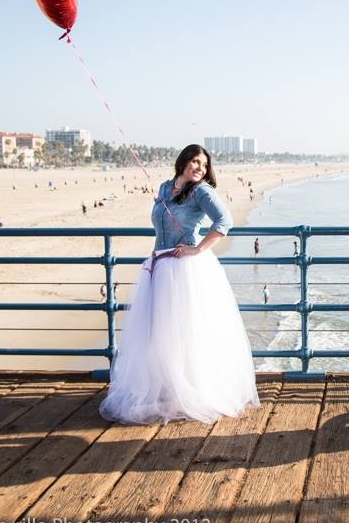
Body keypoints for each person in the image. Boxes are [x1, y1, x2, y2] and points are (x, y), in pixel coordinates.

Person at [100, 144, 259, 425]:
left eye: (204, 164)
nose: (199, 168)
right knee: (160, 332)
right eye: (195, 161)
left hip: (184, 269)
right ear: (183, 161)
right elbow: (160, 223)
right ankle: (166, 390)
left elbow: (225, 221)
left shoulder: (202, 191)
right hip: (160, 265)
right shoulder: (164, 188)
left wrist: (197, 249)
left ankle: (191, 392)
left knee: (185, 331)